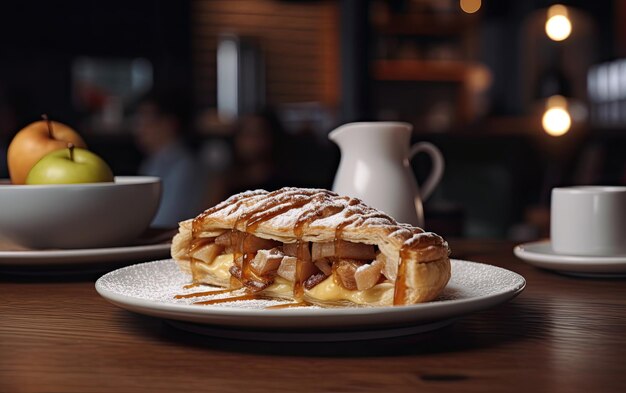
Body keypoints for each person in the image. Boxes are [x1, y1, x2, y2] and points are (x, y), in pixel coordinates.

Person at [133, 90, 207, 228]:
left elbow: (167, 220)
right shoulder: (152, 161)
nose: (140, 128)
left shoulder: (185, 165)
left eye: (147, 121)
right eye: (138, 121)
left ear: (170, 123)